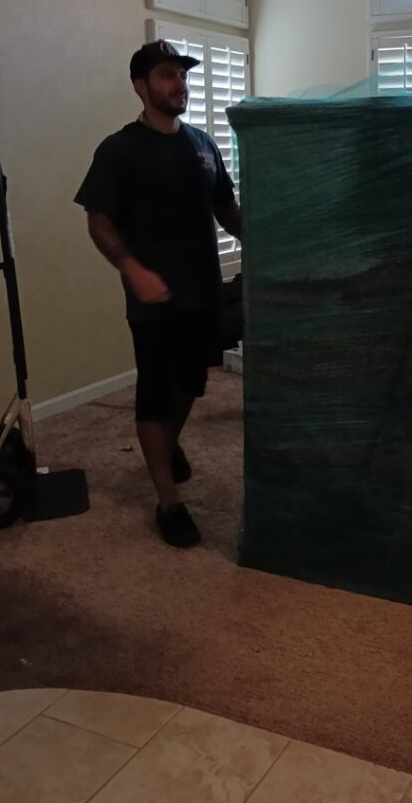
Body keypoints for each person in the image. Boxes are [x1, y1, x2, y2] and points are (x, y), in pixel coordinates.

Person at [75, 40, 242, 548]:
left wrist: (264, 241)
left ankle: (167, 447)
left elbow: (226, 209)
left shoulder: (202, 144)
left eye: (182, 75)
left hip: (202, 292)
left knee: (190, 384)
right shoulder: (120, 149)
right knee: (155, 392)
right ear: (140, 86)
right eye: (167, 75)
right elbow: (98, 221)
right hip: (152, 300)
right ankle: (168, 502)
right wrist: (132, 269)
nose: (179, 84)